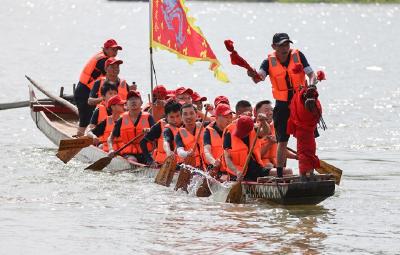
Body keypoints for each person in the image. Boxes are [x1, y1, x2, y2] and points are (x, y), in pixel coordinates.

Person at [247, 33, 316, 177]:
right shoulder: (267, 62)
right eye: (281, 45)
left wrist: (312, 86)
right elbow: (258, 78)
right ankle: (279, 175)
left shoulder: (298, 56)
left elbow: (312, 75)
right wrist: (252, 74)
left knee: (307, 139)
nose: (285, 48)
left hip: (301, 103)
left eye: (287, 44)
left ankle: (309, 172)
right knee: (282, 141)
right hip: (283, 105)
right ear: (274, 47)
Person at [74, 39, 122, 137]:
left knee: (92, 117)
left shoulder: (106, 59)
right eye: (113, 50)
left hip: (90, 90)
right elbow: (111, 76)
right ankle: (79, 138)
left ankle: (92, 136)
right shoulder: (102, 61)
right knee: (85, 118)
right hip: (84, 90)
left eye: (117, 50)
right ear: (106, 49)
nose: (115, 52)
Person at [107, 90, 155, 164]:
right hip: (129, 154)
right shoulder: (122, 119)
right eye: (130, 99)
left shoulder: (149, 117)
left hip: (147, 152)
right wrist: (111, 149)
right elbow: (110, 138)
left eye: (136, 99)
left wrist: (150, 131)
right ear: (126, 104)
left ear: (141, 102)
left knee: (151, 161)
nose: (133, 101)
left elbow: (157, 135)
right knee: (132, 160)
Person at [287, 85, 322, 180]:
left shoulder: (300, 109)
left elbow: (294, 108)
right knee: (310, 152)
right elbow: (319, 115)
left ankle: (302, 175)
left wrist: (300, 91)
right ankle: (310, 173)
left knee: (302, 153)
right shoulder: (314, 111)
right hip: (310, 133)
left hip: (301, 133)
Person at [222, 115, 271, 181]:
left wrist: (263, 121)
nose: (239, 135)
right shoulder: (229, 133)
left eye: (242, 133)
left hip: (254, 168)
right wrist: (237, 172)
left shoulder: (254, 129)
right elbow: (227, 158)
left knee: (286, 171)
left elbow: (266, 132)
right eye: (238, 131)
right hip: (236, 173)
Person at [140, 100, 183, 165]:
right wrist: (149, 160)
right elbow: (143, 142)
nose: (175, 120)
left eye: (178, 116)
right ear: (166, 116)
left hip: (181, 164)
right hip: (162, 163)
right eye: (172, 117)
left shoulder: (186, 125)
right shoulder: (159, 126)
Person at [203, 103, 234, 179]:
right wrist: (214, 162)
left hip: (232, 169)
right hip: (215, 168)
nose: (229, 120)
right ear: (216, 118)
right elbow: (206, 151)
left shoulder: (233, 130)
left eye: (230, 117)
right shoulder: (208, 131)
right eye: (226, 117)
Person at [175, 104, 204, 168]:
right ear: (181, 117)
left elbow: (215, 121)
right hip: (189, 166)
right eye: (185, 114)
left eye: (191, 113)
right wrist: (187, 153)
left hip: (204, 164)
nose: (188, 117)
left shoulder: (203, 126)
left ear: (196, 115)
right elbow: (179, 151)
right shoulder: (179, 133)